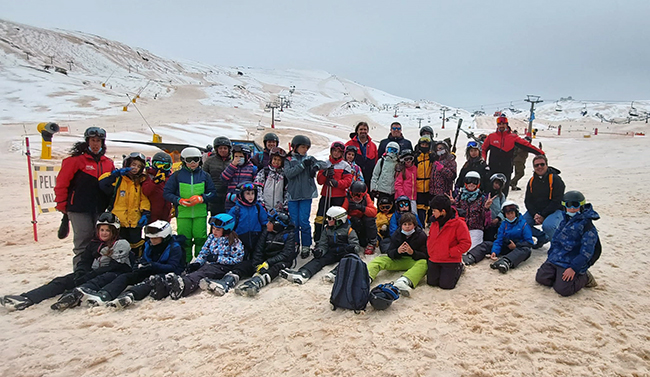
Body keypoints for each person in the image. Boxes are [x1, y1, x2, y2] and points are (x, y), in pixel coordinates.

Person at [1, 213, 131, 311]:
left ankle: (72, 296)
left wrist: (90, 275)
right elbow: (85, 260)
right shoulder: (94, 243)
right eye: (102, 230)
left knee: (97, 280)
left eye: (108, 230)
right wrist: (81, 271)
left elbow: (115, 266)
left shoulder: (121, 244)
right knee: (63, 280)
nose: (104, 233)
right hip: (94, 272)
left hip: (113, 274)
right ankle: (27, 298)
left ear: (114, 231)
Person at [65, 220, 185, 308]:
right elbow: (144, 259)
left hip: (165, 274)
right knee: (125, 276)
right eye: (151, 238)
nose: (152, 241)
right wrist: (140, 266)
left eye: (155, 238)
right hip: (149, 269)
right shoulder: (149, 245)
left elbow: (173, 267)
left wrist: (152, 266)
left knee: (151, 281)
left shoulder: (175, 247)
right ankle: (105, 294)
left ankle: (130, 295)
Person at [54, 127, 115, 269]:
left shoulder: (108, 163)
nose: (95, 144)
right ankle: (80, 272)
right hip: (78, 209)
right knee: (83, 241)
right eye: (93, 140)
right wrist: (62, 205)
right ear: (87, 141)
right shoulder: (75, 161)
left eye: (98, 141)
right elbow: (62, 184)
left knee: (100, 240)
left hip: (99, 208)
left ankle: (95, 271)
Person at [202, 211, 297, 296]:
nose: (267, 224)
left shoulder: (289, 235)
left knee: (275, 268)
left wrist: (268, 263)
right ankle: (227, 281)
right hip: (265, 259)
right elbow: (259, 249)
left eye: (270, 222)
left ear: (276, 224)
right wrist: (256, 264)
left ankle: (254, 283)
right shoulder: (266, 232)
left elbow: (286, 254)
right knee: (244, 265)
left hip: (279, 261)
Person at [154, 213, 244, 300]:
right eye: (213, 228)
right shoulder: (211, 238)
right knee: (192, 270)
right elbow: (204, 252)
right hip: (209, 264)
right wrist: (197, 263)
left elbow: (237, 259)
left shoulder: (234, 242)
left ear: (226, 230)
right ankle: (166, 288)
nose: (214, 231)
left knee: (202, 274)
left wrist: (218, 259)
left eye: (218, 230)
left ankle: (184, 286)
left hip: (223, 267)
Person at [535, 191, 600, 296]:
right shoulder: (565, 220)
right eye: (569, 205)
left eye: (576, 205)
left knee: (563, 289)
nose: (572, 208)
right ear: (565, 206)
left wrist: (574, 268)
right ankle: (559, 275)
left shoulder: (587, 226)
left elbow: (587, 252)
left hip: (572, 261)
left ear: (582, 206)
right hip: (558, 258)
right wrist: (551, 256)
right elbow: (556, 240)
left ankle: (585, 277)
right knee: (542, 278)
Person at [281, 206, 361, 285]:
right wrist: (320, 251)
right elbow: (323, 244)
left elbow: (356, 246)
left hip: (344, 252)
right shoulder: (327, 230)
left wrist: (352, 248)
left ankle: (336, 273)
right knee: (318, 259)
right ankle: (304, 273)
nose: (327, 220)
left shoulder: (349, 230)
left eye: (330, 218)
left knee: (350, 258)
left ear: (338, 220)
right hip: (332, 252)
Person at [164, 147, 217, 263]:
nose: (193, 163)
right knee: (184, 240)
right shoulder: (177, 176)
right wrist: (178, 200)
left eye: (195, 160)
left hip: (200, 213)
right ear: (184, 161)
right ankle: (184, 262)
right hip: (183, 214)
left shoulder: (205, 176)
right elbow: (167, 192)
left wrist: (202, 198)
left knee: (200, 239)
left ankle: (200, 262)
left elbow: (213, 192)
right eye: (189, 160)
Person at [99, 152, 151, 256]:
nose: (135, 168)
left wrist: (146, 212)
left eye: (139, 166)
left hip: (135, 220)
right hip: (118, 220)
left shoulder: (140, 182)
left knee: (136, 245)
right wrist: (115, 174)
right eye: (133, 165)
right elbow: (102, 183)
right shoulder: (118, 179)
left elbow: (143, 199)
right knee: (119, 245)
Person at [463, 201, 534, 274]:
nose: (510, 216)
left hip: (518, 248)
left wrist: (516, 246)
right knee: (487, 244)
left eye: (512, 213)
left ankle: (506, 262)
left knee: (526, 250)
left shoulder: (523, 224)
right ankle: (471, 256)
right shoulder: (503, 224)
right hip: (506, 246)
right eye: (508, 214)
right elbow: (499, 239)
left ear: (516, 213)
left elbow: (529, 242)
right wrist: (494, 251)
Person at [367, 213, 428, 297]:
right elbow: (390, 252)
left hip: (413, 260)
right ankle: (366, 278)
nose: (407, 227)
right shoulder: (397, 234)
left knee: (424, 264)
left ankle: (404, 281)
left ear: (414, 225)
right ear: (401, 225)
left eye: (410, 224)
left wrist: (413, 252)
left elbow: (426, 254)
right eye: (405, 224)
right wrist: (397, 251)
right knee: (379, 259)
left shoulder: (421, 235)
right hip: (398, 259)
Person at [481, 115, 543, 196]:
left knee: (503, 192)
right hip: (493, 168)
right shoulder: (491, 137)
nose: (501, 126)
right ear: (497, 125)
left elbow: (527, 145)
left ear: (507, 124)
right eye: (499, 124)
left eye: (503, 124)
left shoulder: (513, 137)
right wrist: (483, 160)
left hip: (506, 169)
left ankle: (502, 207)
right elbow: (483, 149)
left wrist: (540, 153)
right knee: (490, 190)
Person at [284, 135, 321, 259]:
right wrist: (302, 166)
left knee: (304, 221)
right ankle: (294, 244)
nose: (305, 150)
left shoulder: (309, 158)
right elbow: (288, 174)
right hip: (293, 195)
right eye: (302, 147)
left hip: (306, 195)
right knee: (294, 222)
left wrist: (316, 167)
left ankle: (306, 245)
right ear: (295, 147)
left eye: (306, 147)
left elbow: (323, 163)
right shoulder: (289, 159)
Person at [426, 195, 471, 290]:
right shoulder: (434, 221)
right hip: (434, 258)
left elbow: (466, 243)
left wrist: (451, 252)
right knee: (431, 282)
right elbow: (431, 237)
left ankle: (459, 268)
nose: (432, 213)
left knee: (446, 285)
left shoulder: (459, 223)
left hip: (450, 259)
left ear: (443, 211)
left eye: (434, 211)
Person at [313, 141, 353, 244]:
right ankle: (318, 239)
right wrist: (325, 174)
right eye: (334, 151)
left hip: (338, 196)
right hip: (326, 195)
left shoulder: (345, 166)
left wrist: (337, 183)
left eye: (339, 152)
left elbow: (348, 182)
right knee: (320, 218)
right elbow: (320, 181)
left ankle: (336, 240)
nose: (336, 153)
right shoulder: (325, 163)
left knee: (336, 219)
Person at [523, 154, 565, 249]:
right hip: (537, 212)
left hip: (555, 210)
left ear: (547, 165)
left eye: (542, 164)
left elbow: (557, 200)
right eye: (536, 165)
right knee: (522, 223)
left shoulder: (555, 179)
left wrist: (543, 215)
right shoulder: (532, 181)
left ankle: (557, 247)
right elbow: (528, 201)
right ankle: (542, 237)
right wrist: (535, 214)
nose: (539, 167)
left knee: (548, 226)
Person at [452, 171, 493, 249]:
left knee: (471, 249)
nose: (471, 184)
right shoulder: (460, 196)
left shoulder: (482, 198)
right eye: (469, 181)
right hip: (461, 227)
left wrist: (486, 209)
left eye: (474, 182)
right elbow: (455, 212)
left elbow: (487, 221)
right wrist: (452, 204)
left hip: (475, 229)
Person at [228, 181, 268, 257]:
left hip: (257, 237)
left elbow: (264, 221)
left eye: (252, 193)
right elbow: (230, 226)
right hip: (240, 238)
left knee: (256, 257)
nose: (251, 196)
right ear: (241, 195)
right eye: (247, 194)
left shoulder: (258, 207)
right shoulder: (236, 209)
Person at [342, 181, 378, 255]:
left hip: (364, 223)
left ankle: (372, 242)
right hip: (353, 223)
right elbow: (342, 213)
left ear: (363, 195)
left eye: (358, 195)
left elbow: (374, 212)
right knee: (354, 221)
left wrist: (361, 208)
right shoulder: (347, 199)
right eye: (353, 194)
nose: (355, 197)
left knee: (370, 219)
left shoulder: (366, 198)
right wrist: (350, 217)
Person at [221, 144, 258, 211]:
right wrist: (232, 166)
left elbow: (255, 186)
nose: (238, 159)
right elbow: (223, 178)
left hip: (245, 202)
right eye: (236, 156)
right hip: (231, 202)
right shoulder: (231, 167)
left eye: (241, 156)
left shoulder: (252, 169)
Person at [203, 136, 232, 215]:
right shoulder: (209, 161)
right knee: (215, 219)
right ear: (216, 149)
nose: (223, 150)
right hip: (214, 195)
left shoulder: (233, 162)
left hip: (229, 195)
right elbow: (204, 176)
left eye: (225, 148)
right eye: (220, 148)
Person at [345, 121, 378, 190]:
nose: (363, 131)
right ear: (357, 131)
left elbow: (376, 161)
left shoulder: (373, 146)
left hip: (369, 178)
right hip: (353, 178)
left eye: (365, 129)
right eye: (361, 129)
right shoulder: (349, 144)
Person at [254, 147, 288, 212]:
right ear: (271, 159)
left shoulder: (284, 175)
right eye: (275, 159)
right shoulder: (264, 172)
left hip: (279, 209)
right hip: (264, 208)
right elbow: (258, 188)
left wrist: (285, 206)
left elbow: (287, 192)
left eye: (279, 160)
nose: (276, 162)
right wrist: (261, 203)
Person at [142, 152, 173, 223]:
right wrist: (154, 182)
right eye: (158, 165)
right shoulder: (149, 176)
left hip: (166, 214)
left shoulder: (171, 178)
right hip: (152, 213)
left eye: (165, 166)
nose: (161, 169)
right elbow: (145, 191)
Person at [415, 135, 435, 225]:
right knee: (420, 208)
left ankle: (429, 223)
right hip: (418, 186)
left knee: (429, 207)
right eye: (422, 144)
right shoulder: (416, 157)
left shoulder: (431, 157)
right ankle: (421, 224)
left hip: (429, 186)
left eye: (426, 145)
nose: (424, 146)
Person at [483, 173, 508, 241]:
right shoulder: (484, 194)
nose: (497, 185)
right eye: (496, 183)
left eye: (499, 184)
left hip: (497, 223)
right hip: (485, 223)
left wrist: (498, 218)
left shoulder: (501, 196)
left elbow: (504, 208)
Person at [394, 149, 417, 215]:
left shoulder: (415, 169)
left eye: (410, 159)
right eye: (406, 159)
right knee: (402, 215)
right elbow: (398, 184)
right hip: (403, 198)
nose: (409, 161)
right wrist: (402, 196)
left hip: (413, 198)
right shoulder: (402, 170)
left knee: (414, 215)